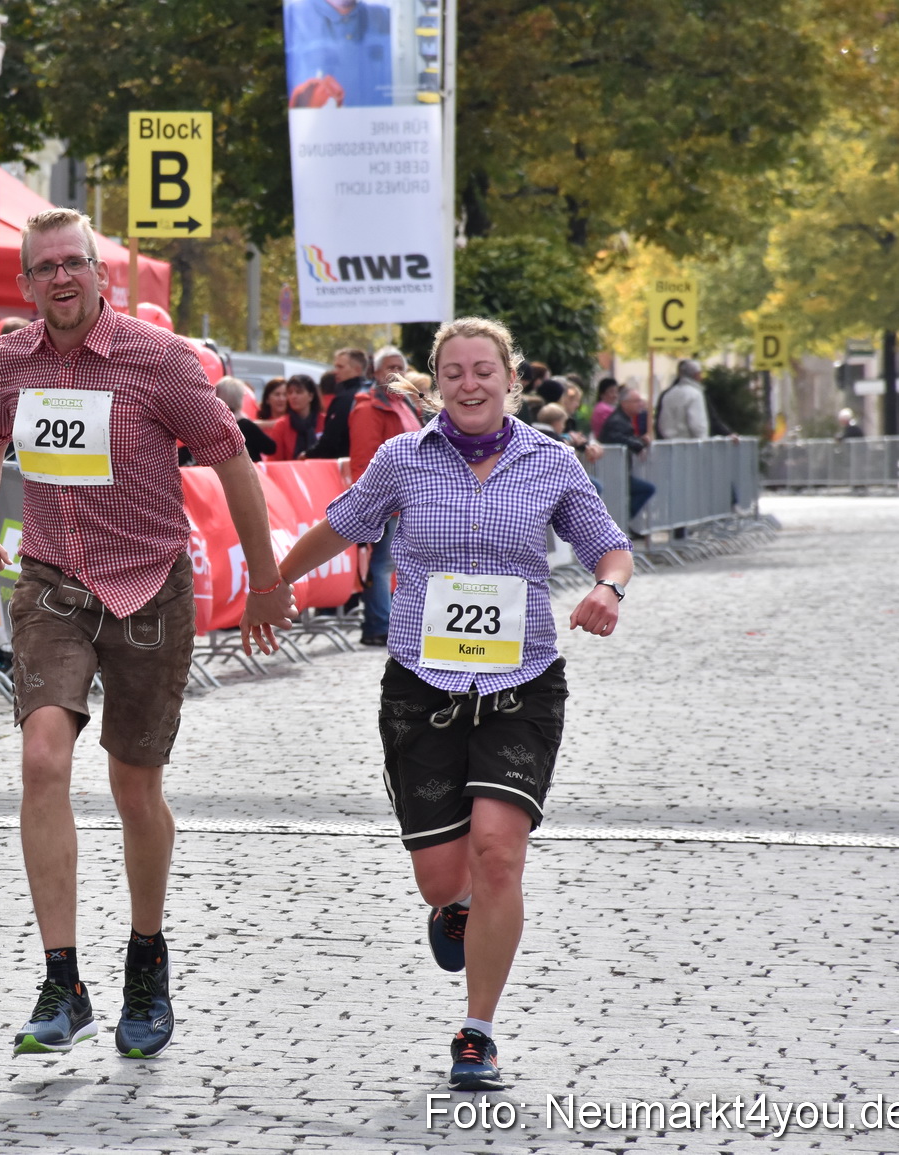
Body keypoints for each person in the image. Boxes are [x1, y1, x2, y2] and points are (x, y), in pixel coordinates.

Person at [0, 207, 295, 1060]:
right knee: (41, 758)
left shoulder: (158, 359)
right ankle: (63, 980)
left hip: (148, 587)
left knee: (134, 787)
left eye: (75, 262)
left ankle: (147, 957)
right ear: (27, 284)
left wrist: (264, 577)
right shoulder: (10, 361)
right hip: (54, 583)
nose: (61, 278)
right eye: (45, 268)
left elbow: (230, 459)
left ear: (100, 275)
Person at [274, 315, 633, 1092]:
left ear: (510, 377)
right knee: (443, 876)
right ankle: (455, 903)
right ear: (437, 381)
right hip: (423, 685)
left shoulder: (551, 461)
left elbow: (610, 542)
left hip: (521, 683)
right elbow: (339, 528)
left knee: (500, 851)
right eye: (456, 372)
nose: (471, 384)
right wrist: (273, 584)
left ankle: (478, 1033)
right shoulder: (404, 459)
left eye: (485, 370)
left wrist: (608, 586)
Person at [346, 364, 424, 645]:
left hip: (402, 500)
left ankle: (383, 623)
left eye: (400, 367)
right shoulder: (369, 409)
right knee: (379, 565)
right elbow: (364, 458)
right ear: (375, 371)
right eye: (389, 366)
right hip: (385, 500)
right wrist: (368, 503)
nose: (396, 372)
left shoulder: (402, 403)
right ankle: (380, 625)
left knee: (384, 565)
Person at [599, 388, 658, 519]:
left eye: (641, 401)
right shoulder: (617, 420)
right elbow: (616, 438)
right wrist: (637, 444)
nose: (641, 404)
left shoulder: (623, 419)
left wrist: (639, 441)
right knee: (646, 489)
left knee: (645, 489)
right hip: (614, 471)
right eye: (636, 401)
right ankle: (620, 522)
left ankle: (621, 522)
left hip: (619, 471)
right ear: (624, 403)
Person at [307, 346, 371, 458]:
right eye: (335, 366)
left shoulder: (345, 398)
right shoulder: (373, 393)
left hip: (346, 464)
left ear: (357, 370)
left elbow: (331, 439)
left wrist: (308, 455)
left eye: (340, 367)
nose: (335, 371)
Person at [216, 376, 276, 462]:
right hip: (249, 469)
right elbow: (270, 447)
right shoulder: (245, 424)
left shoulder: (214, 424)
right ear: (239, 397)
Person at [267, 374, 324, 461]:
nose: (293, 396)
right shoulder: (282, 425)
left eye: (299, 392)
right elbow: (273, 461)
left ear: (311, 396)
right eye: (290, 392)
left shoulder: (324, 421)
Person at [655, 359, 709, 440]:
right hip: (691, 444)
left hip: (669, 443)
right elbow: (697, 424)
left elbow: (663, 422)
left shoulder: (669, 394)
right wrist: (703, 439)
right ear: (696, 374)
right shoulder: (695, 394)